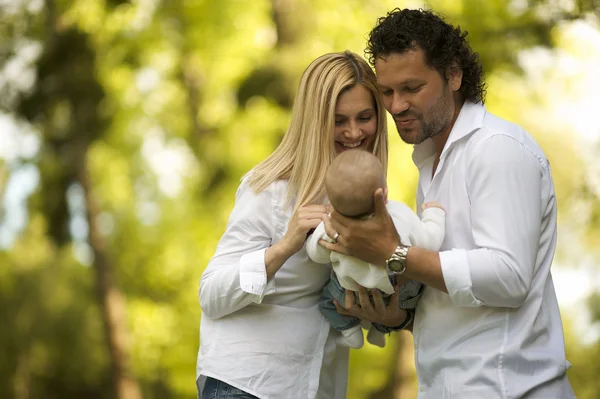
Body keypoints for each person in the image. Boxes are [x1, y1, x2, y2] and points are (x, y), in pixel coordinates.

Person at [321, 8, 576, 398]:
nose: (396, 105)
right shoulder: (430, 165)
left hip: (510, 388)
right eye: (387, 92)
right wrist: (400, 316)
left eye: (411, 88)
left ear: (454, 75)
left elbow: (509, 277)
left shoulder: (496, 149)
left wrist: (395, 253)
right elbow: (457, 295)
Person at [196, 51, 393, 399]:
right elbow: (211, 295)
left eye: (365, 117)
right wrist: (285, 246)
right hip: (246, 384)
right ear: (315, 122)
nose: (353, 132)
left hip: (316, 384)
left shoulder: (370, 199)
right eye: (338, 120)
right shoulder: (270, 189)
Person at [305, 149, 445, 349]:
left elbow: (316, 254)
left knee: (327, 300)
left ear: (332, 202)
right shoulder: (398, 216)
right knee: (416, 291)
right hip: (396, 290)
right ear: (384, 194)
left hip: (348, 292)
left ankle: (350, 329)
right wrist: (434, 215)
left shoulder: (331, 224)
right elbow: (430, 243)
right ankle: (379, 330)